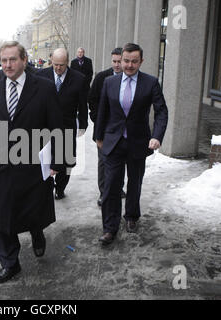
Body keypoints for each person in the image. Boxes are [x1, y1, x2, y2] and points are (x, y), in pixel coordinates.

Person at [0, 41, 64, 284]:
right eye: (3, 60)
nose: (7, 65)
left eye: (13, 59)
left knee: (34, 210)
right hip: (2, 167)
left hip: (34, 166)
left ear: (24, 60)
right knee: (3, 217)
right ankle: (10, 263)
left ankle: (37, 233)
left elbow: (57, 125)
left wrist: (59, 159)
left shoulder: (44, 88)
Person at [95, 43, 168, 245]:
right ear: (121, 59)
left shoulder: (150, 83)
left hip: (138, 142)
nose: (129, 65)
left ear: (141, 61)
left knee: (134, 183)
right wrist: (98, 137)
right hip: (113, 142)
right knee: (111, 186)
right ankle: (109, 228)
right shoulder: (110, 82)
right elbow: (103, 111)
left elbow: (161, 111)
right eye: (126, 60)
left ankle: (132, 217)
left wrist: (157, 136)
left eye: (134, 61)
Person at [36, 48, 88, 200]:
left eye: (62, 65)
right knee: (45, 157)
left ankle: (60, 187)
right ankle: (46, 186)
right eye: (55, 64)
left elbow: (82, 104)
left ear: (68, 63)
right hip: (44, 126)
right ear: (51, 61)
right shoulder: (41, 76)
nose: (58, 68)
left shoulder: (79, 79)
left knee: (66, 160)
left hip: (67, 125)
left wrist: (83, 124)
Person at [88, 48, 126, 206]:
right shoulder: (102, 77)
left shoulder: (129, 78)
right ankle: (104, 192)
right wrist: (98, 119)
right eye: (114, 61)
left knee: (120, 160)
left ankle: (118, 188)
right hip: (104, 129)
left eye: (119, 61)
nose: (117, 65)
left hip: (122, 130)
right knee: (104, 161)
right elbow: (92, 99)